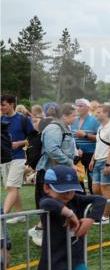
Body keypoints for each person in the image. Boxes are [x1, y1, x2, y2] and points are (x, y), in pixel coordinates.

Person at [36, 165, 105, 270]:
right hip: (53, 263)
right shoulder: (47, 203)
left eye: (71, 190)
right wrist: (69, 213)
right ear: (47, 188)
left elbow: (100, 200)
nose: (67, 194)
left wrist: (90, 219)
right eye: (62, 190)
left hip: (75, 259)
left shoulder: (76, 199)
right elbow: (46, 202)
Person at [29, 103, 79, 247]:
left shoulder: (62, 128)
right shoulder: (54, 128)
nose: (75, 118)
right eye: (73, 115)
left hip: (58, 172)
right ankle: (39, 230)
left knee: (61, 204)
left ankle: (56, 233)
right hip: (50, 173)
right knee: (50, 205)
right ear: (64, 116)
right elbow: (52, 150)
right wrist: (70, 162)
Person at [1, 94, 37, 222]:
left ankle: (2, 216)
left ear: (11, 104)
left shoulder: (23, 119)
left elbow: (33, 138)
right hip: (4, 159)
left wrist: (20, 143)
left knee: (11, 187)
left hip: (19, 158)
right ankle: (20, 214)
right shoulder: (0, 120)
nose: (1, 107)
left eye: (3, 105)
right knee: (13, 187)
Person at [89, 104, 110, 223]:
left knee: (105, 189)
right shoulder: (100, 128)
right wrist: (93, 159)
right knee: (95, 189)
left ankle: (105, 217)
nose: (96, 114)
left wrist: (108, 164)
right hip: (98, 161)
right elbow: (99, 145)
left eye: (98, 112)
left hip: (108, 161)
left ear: (106, 114)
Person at [71, 98, 100, 194]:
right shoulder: (73, 120)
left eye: (80, 106)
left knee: (92, 180)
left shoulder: (95, 121)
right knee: (78, 179)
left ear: (87, 108)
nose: (77, 108)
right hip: (77, 154)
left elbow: (101, 138)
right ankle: (82, 201)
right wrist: (76, 149)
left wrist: (86, 135)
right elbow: (71, 138)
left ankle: (95, 201)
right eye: (77, 106)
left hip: (91, 154)